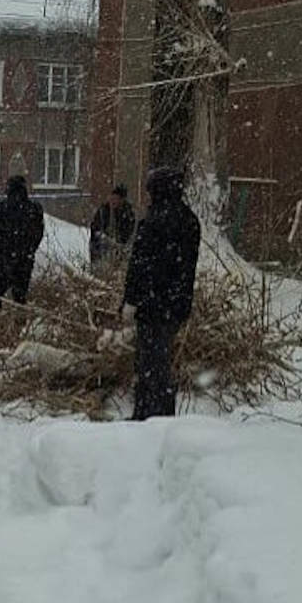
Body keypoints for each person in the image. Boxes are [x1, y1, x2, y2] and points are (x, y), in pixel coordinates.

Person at [121, 166, 201, 420]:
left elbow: (140, 265)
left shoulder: (154, 220)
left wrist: (130, 301)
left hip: (152, 303)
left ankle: (146, 415)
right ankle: (164, 413)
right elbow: (186, 266)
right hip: (177, 304)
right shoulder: (189, 219)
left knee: (148, 363)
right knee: (162, 359)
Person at [0, 175, 45, 308]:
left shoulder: (3, 207)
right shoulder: (34, 208)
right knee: (20, 297)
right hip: (23, 260)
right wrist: (30, 250)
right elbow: (38, 233)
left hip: (3, 258)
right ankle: (19, 323)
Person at [89, 184, 136, 270]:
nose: (113, 201)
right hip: (101, 250)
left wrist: (118, 244)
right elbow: (95, 229)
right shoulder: (103, 211)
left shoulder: (128, 214)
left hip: (119, 251)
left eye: (117, 199)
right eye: (112, 198)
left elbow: (128, 234)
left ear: (122, 200)